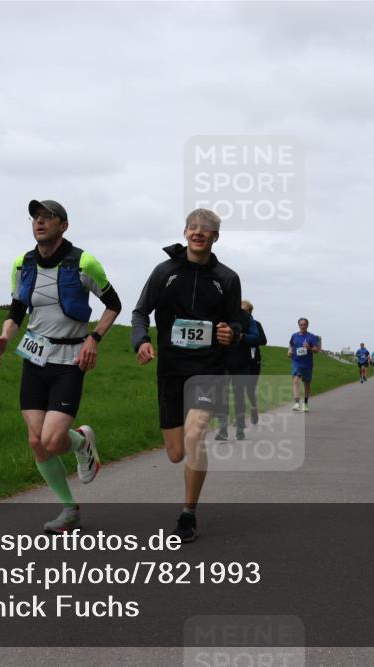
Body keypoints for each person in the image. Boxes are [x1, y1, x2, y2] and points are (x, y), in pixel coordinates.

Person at [0, 199, 121, 533]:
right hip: (35, 357)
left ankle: (81, 442)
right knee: (36, 441)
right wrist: (6, 336)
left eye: (48, 217)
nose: (39, 222)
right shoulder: (23, 263)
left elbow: (113, 304)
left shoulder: (84, 262)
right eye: (36, 217)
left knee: (51, 440)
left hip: (70, 360)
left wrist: (94, 338)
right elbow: (17, 307)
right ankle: (69, 509)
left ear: (63, 225)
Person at [131, 208, 242, 542]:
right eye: (193, 227)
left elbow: (238, 322)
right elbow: (140, 312)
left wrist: (231, 332)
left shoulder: (227, 278)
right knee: (176, 452)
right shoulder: (164, 272)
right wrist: (142, 340)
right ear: (185, 232)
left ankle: (187, 514)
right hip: (171, 370)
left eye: (206, 229)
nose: (198, 232)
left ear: (215, 237)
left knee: (195, 437)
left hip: (209, 370)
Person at [215, 302, 262, 441]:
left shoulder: (247, 318)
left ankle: (240, 428)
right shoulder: (220, 313)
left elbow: (257, 337)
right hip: (223, 362)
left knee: (239, 395)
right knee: (222, 395)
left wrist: (241, 336)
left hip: (241, 363)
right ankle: (223, 429)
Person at [287, 318, 321, 412]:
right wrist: (289, 352)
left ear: (307, 325)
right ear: (298, 325)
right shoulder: (294, 336)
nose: (302, 326)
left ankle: (305, 404)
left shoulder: (311, 337)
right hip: (296, 362)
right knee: (296, 380)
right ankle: (297, 403)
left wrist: (309, 348)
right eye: (301, 325)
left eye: (304, 325)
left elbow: (316, 350)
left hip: (307, 364)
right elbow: (290, 345)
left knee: (306, 383)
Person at [242, 301, 267, 425]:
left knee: (250, 389)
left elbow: (263, 340)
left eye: (244, 310)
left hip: (253, 361)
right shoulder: (237, 324)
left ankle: (253, 409)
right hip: (240, 361)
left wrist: (247, 338)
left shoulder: (256, 324)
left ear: (249, 311)